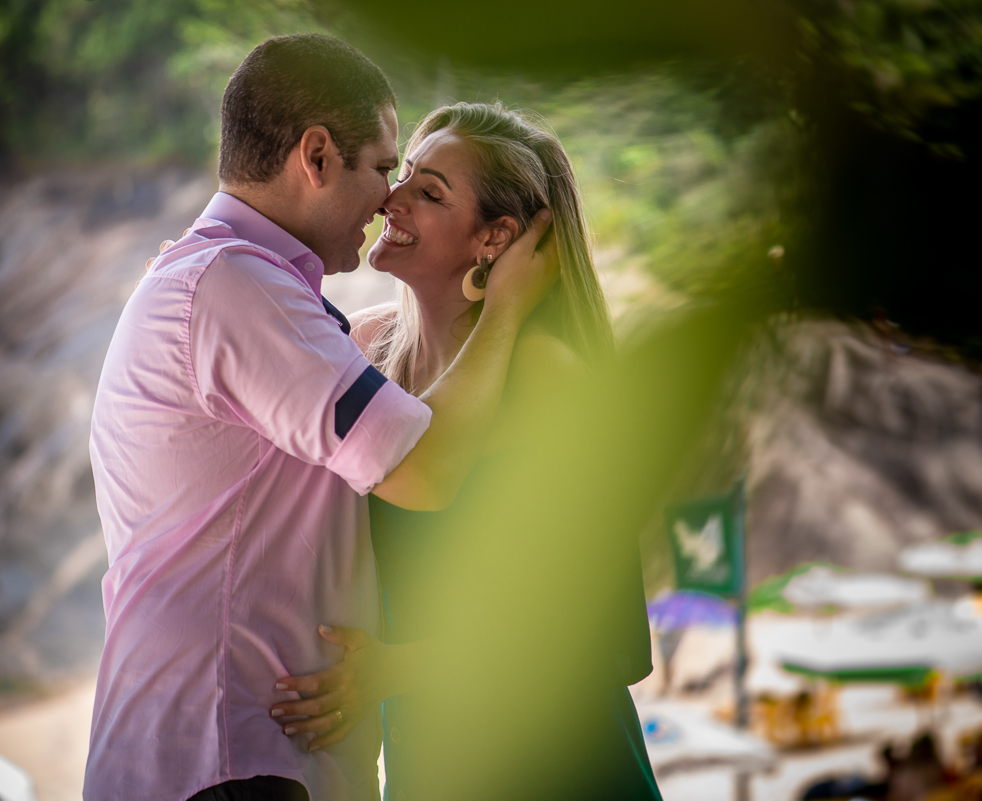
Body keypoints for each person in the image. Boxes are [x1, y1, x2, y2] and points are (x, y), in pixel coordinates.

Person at [84, 36, 555, 801]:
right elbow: (425, 469)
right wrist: (506, 309)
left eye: (416, 186)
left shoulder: (234, 282)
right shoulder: (238, 286)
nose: (387, 199)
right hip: (231, 759)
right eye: (381, 167)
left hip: (226, 754)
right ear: (317, 157)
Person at [268, 103, 663, 801]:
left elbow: (605, 635)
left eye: (430, 191)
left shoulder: (545, 376)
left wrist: (399, 669)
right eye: (405, 176)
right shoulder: (366, 350)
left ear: (495, 238)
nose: (392, 197)